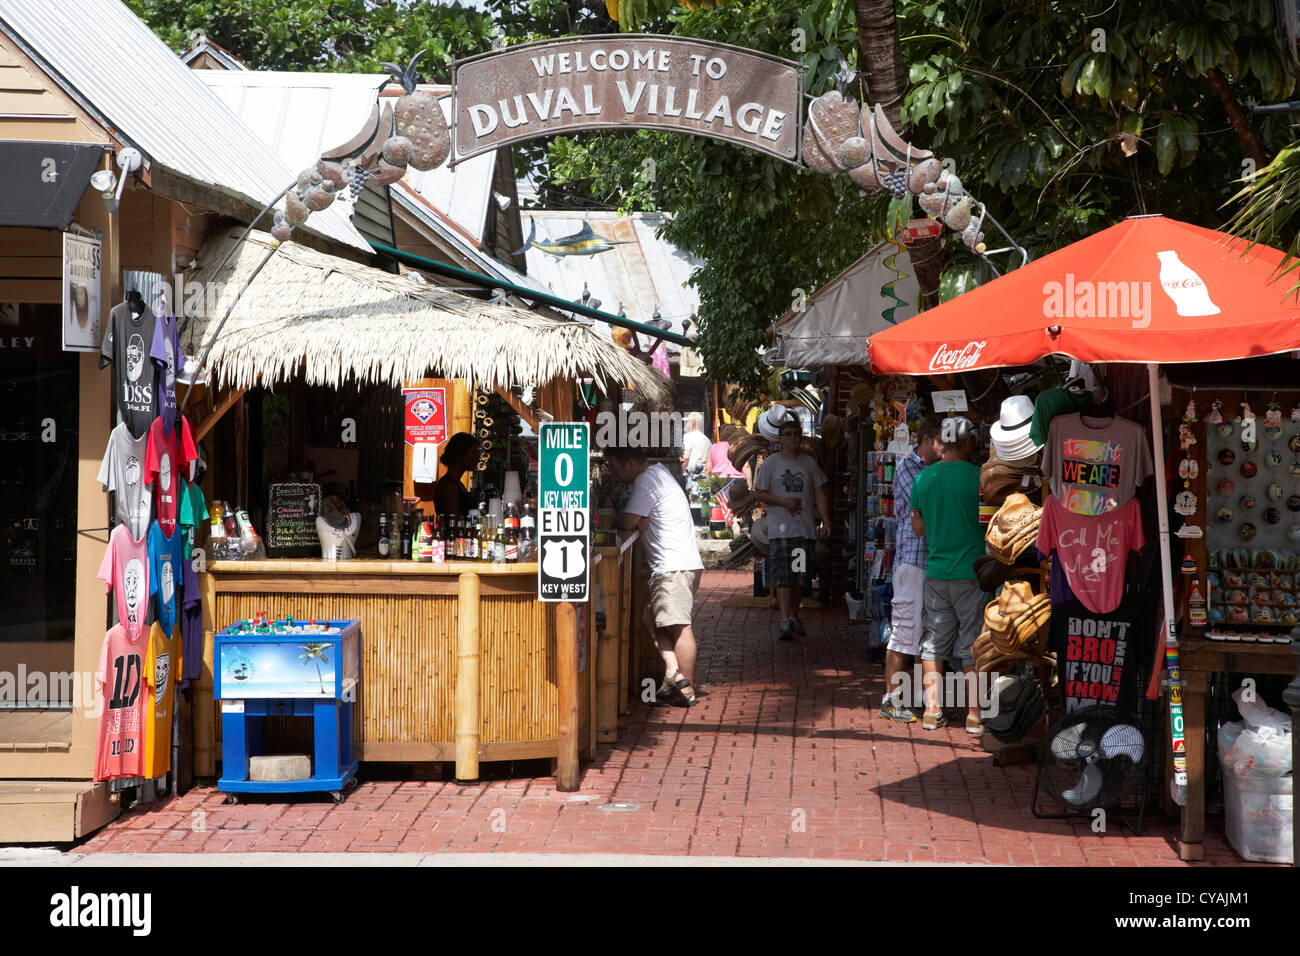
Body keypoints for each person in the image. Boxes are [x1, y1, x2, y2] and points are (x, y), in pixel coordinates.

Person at [908, 416, 989, 733]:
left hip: (937, 571)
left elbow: (917, 528)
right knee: (972, 644)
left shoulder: (924, 479)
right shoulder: (979, 477)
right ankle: (974, 715)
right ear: (967, 442)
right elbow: (989, 522)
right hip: (972, 572)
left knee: (933, 644)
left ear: (943, 442)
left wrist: (941, 520)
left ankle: (932, 710)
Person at [608, 445, 705, 705]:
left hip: (674, 566)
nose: (614, 474)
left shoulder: (647, 480)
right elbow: (635, 521)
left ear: (628, 462)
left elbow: (627, 522)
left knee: (680, 627)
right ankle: (673, 671)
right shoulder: (658, 475)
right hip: (678, 565)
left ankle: (686, 690)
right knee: (652, 615)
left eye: (615, 467)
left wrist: (635, 520)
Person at [878, 415, 945, 724]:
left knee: (926, 634)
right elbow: (928, 506)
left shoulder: (937, 469)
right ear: (928, 439)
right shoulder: (907, 468)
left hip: (933, 562)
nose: (946, 449)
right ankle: (891, 698)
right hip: (912, 561)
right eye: (942, 443)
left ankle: (918, 696)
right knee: (904, 633)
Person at [752, 417, 830, 641]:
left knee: (800, 578)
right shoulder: (771, 463)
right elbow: (759, 493)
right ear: (781, 439)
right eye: (788, 434)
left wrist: (826, 520)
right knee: (784, 576)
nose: (793, 438)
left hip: (804, 530)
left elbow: (819, 493)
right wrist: (783, 501)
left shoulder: (809, 463)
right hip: (781, 530)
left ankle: (794, 616)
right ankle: (784, 620)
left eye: (796, 434)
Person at [433, 432, 478, 518]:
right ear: (460, 456)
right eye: (473, 453)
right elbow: (454, 522)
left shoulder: (456, 483)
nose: (477, 457)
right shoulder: (449, 487)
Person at [681, 412, 713, 477]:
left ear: (693, 423)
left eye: (687, 422)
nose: (685, 424)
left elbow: (686, 458)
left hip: (691, 476)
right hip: (704, 477)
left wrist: (682, 472)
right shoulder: (707, 440)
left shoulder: (688, 436)